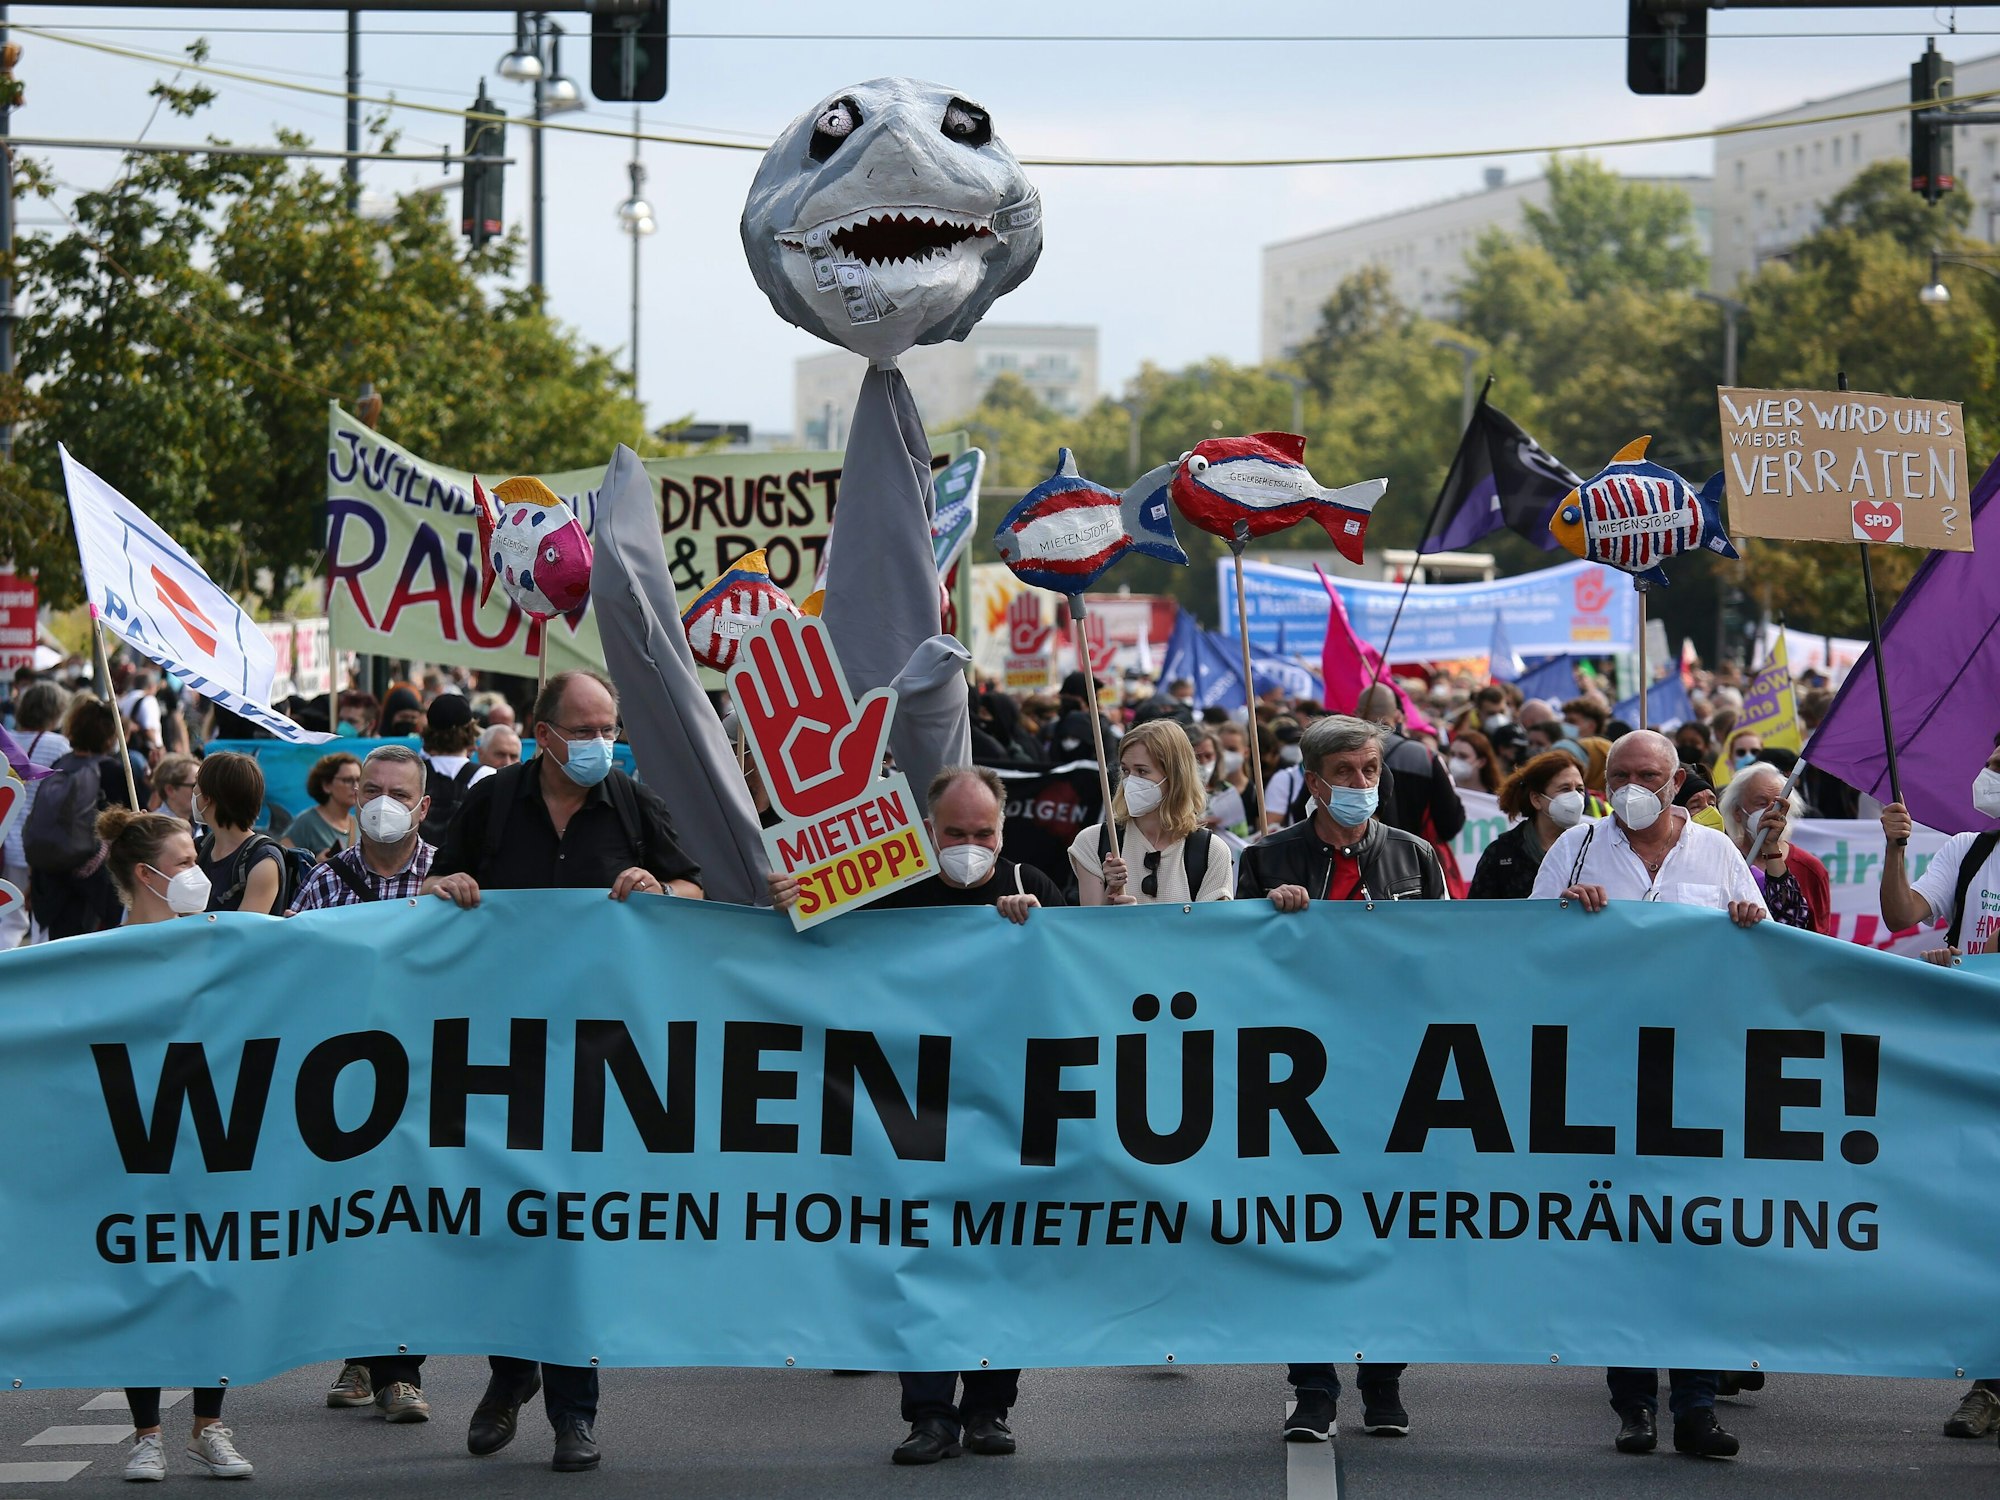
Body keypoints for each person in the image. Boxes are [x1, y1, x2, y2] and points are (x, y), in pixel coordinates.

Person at [424, 669, 702, 1473]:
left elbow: (693, 885)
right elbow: (438, 884)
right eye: (583, 730)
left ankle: (574, 1414)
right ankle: (510, 1376)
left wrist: (661, 887)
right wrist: (451, 886)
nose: (598, 743)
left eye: (607, 728)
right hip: (499, 1054)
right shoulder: (490, 804)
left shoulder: (632, 807)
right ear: (542, 735)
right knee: (515, 1224)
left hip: (599, 1058)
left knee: (574, 1230)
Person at [768, 766, 1059, 1463]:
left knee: (999, 1257)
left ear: (1002, 828)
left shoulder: (1031, 886)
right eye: (954, 833)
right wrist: (789, 906)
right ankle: (930, 1413)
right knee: (918, 1260)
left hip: (1005, 1110)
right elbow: (813, 960)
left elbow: (1073, 991)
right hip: (906, 1113)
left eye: (981, 832)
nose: (969, 844)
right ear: (927, 831)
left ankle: (989, 1408)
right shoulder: (882, 887)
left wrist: (1043, 934)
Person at [1529, 729, 1764, 1460]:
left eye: (1648, 774)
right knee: (1623, 1240)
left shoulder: (1718, 853)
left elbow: (1764, 959)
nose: (1634, 786)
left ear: (1677, 779)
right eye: (1620, 774)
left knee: (1694, 1243)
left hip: (1697, 1077)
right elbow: (1526, 949)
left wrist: (1750, 925)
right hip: (1604, 1075)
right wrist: (1566, 914)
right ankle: (1633, 1405)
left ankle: (1695, 1407)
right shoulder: (1573, 849)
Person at [1234, 715, 1444, 1441]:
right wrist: (1269, 920)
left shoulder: (1415, 856)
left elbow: (1451, 961)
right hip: (1296, 1087)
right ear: (1314, 782)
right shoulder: (1267, 859)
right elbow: (1233, 964)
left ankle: (1383, 1383)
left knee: (1391, 1232)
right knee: (1305, 1234)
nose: (1362, 785)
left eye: (1371, 771)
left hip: (1395, 1079)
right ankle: (1313, 1388)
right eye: (1348, 773)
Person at [95, 805, 257, 1482]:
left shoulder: (220, 941)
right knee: (143, 1282)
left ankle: (209, 1427)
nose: (200, 873)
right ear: (146, 874)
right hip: (136, 1141)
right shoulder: (97, 954)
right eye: (186, 864)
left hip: (213, 1134)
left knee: (212, 1278)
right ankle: (145, 1435)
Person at [287, 745, 439, 1424]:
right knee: (354, 1218)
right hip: (345, 1080)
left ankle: (400, 1370)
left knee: (411, 1223)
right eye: (372, 789)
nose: (383, 802)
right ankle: (362, 1352)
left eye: (399, 794)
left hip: (431, 1080)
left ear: (423, 807)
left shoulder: (453, 881)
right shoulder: (324, 883)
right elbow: (288, 967)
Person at [1070, 720, 1233, 906]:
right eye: (1125, 770)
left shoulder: (1211, 851)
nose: (1130, 781)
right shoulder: (1093, 841)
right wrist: (1111, 895)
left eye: (1142, 771)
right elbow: (1088, 929)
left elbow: (1211, 931)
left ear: (1175, 777)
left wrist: (1141, 921)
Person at [1879, 734, 2000, 970]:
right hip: (1969, 1003)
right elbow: (1899, 916)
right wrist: (1895, 847)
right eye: (1989, 766)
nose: (1988, 776)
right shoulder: (1967, 849)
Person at [28, 696, 126, 941]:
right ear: (110, 735)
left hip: (51, 876)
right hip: (94, 880)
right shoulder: (112, 770)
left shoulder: (60, 764)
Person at [1719, 761, 1831, 935]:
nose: (1771, 812)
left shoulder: (1810, 869)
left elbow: (1818, 939)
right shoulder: (1720, 858)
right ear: (1737, 812)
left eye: (1779, 805)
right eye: (1761, 803)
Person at [2, 680, 70, 947]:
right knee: (29, 920)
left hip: (3, 841)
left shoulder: (4, 739)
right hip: (36, 846)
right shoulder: (59, 745)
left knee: (9, 915)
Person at [1468, 752, 1588, 900]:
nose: (1576, 797)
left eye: (1580, 789)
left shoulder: (1591, 847)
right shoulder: (1502, 853)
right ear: (1536, 799)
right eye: (1565, 789)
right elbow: (1478, 914)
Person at [194, 752, 288, 915]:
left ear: (207, 797)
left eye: (196, 784)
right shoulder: (199, 848)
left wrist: (189, 915)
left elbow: (244, 935)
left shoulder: (263, 861)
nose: (193, 791)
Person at [418, 692, 494, 845]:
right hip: (463, 867)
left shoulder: (413, 773)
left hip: (418, 865)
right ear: (470, 730)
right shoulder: (487, 777)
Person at [284, 751, 362, 858]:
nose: (356, 786)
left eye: (359, 780)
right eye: (348, 780)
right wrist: (316, 865)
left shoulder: (361, 824)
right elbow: (283, 863)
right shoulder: (307, 822)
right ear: (326, 785)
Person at [1188, 724, 1249, 842]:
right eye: (1197, 757)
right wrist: (1194, 825)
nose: (1204, 762)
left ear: (1217, 756)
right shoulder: (1175, 791)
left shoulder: (1226, 791)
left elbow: (1242, 835)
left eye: (1208, 756)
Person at [147, 752, 200, 827]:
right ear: (170, 790)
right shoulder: (154, 829)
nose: (202, 791)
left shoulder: (201, 824)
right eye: (195, 786)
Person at [1447, 729, 1503, 795]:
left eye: (1463, 756)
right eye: (1452, 754)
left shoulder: (1495, 799)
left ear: (1481, 762)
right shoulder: (1442, 792)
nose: (1455, 760)